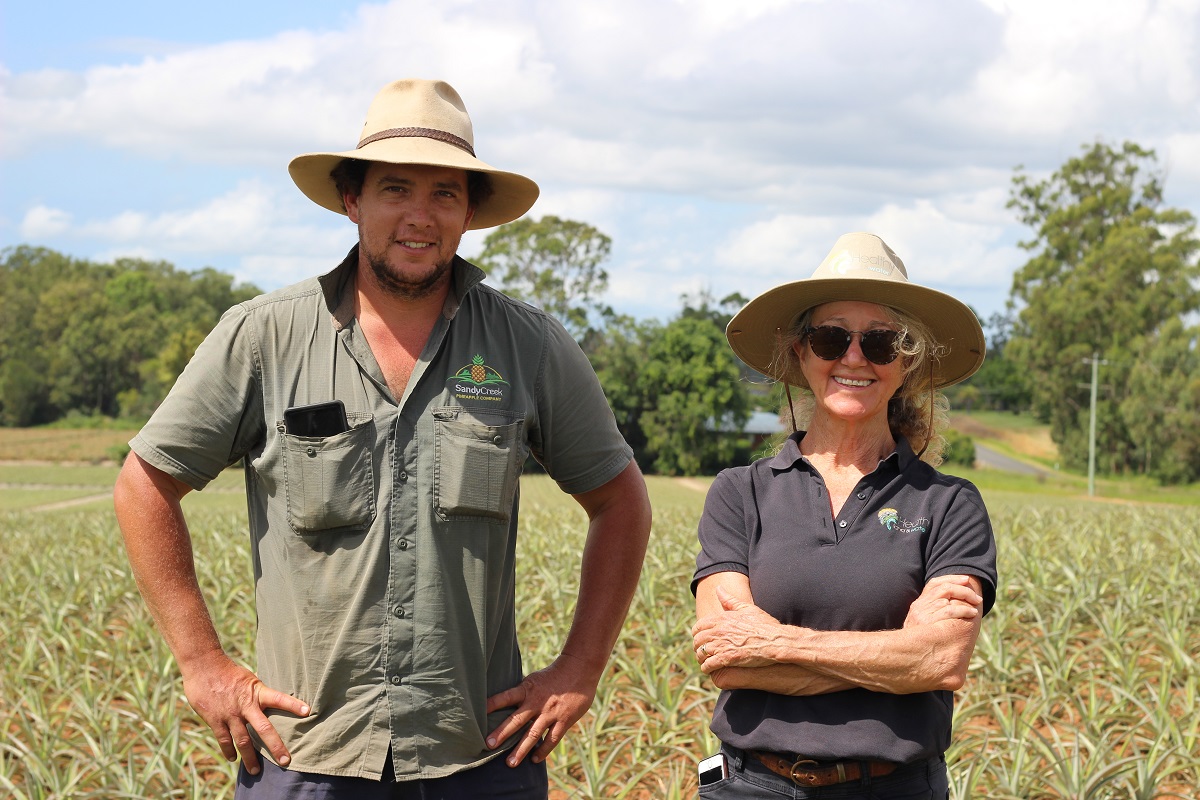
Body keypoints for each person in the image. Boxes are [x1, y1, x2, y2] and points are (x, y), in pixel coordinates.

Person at [113, 78, 651, 799]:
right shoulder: (265, 337)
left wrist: (581, 667)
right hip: (306, 753)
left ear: (469, 213)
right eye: (395, 189)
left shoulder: (528, 345)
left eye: (444, 195)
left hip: (476, 756)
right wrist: (202, 663)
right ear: (352, 200)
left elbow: (620, 501)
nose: (419, 217)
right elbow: (145, 484)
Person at [690, 232, 997, 798]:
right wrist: (894, 658)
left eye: (882, 342)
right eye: (831, 337)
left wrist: (773, 645)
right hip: (752, 786)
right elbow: (728, 662)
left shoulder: (950, 503)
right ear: (800, 352)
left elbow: (940, 660)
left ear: (907, 362)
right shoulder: (740, 493)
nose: (854, 358)